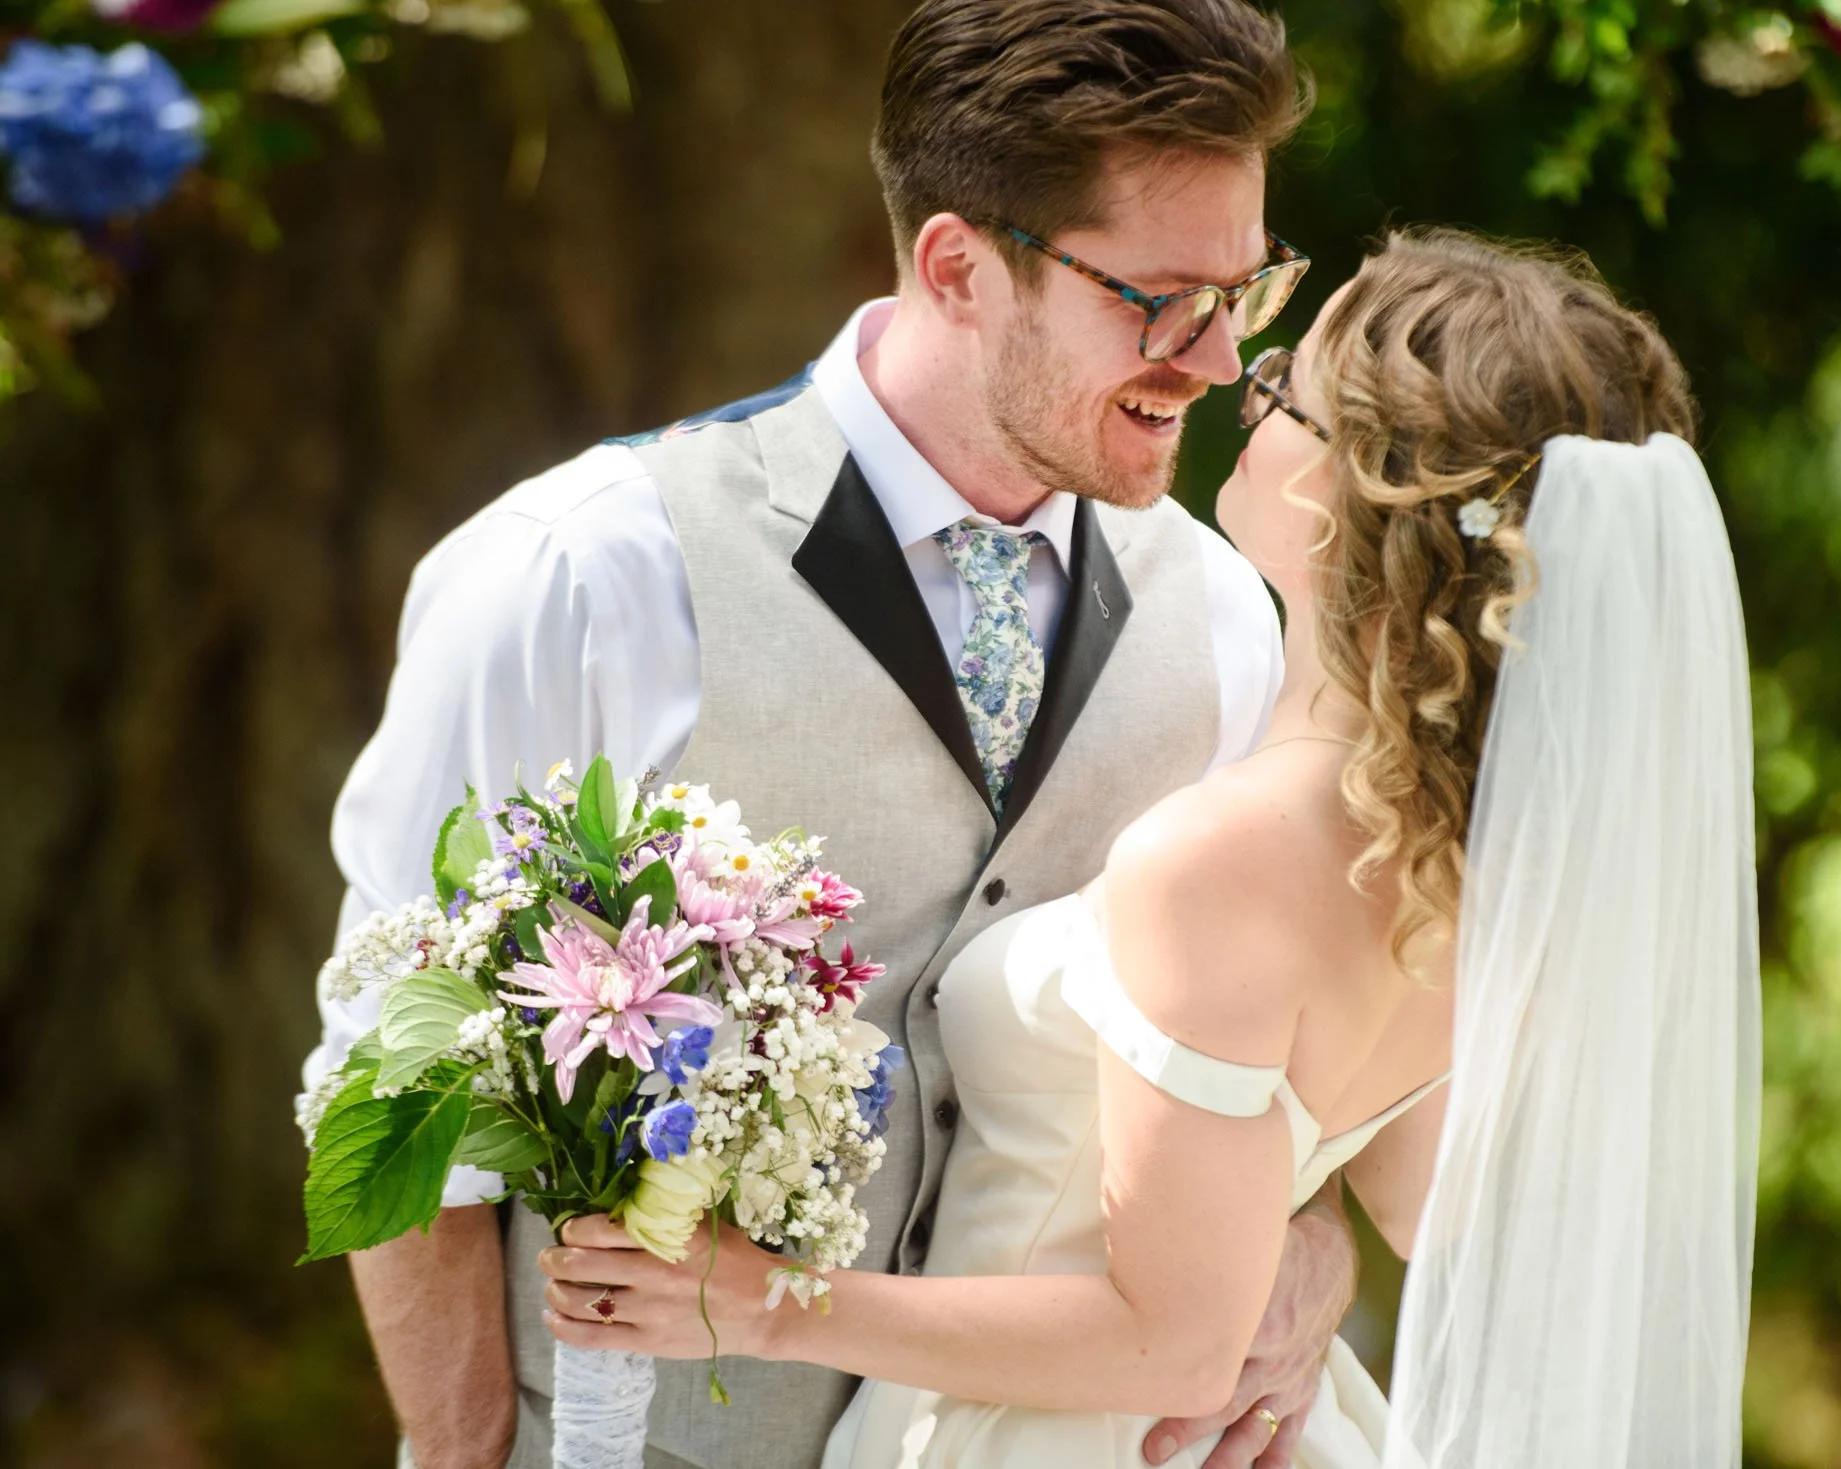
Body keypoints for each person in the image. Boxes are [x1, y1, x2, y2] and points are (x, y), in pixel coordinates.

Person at [298, 4, 1367, 1466]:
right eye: (1161, 300)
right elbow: (396, 1076)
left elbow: (1266, 1065)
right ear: (957, 267)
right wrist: (465, 1451)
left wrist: (1312, 1249)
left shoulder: (1233, 624)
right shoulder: (587, 575)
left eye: (1247, 292)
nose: (1222, 360)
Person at [537, 228, 1763, 1466]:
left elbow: (1167, 1343)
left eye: (1287, 386)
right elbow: (1401, 1190)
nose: (1241, 383)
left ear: (1345, 492)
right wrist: (1306, 1247)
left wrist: (760, 1303)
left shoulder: (1220, 855)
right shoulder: (1462, 859)